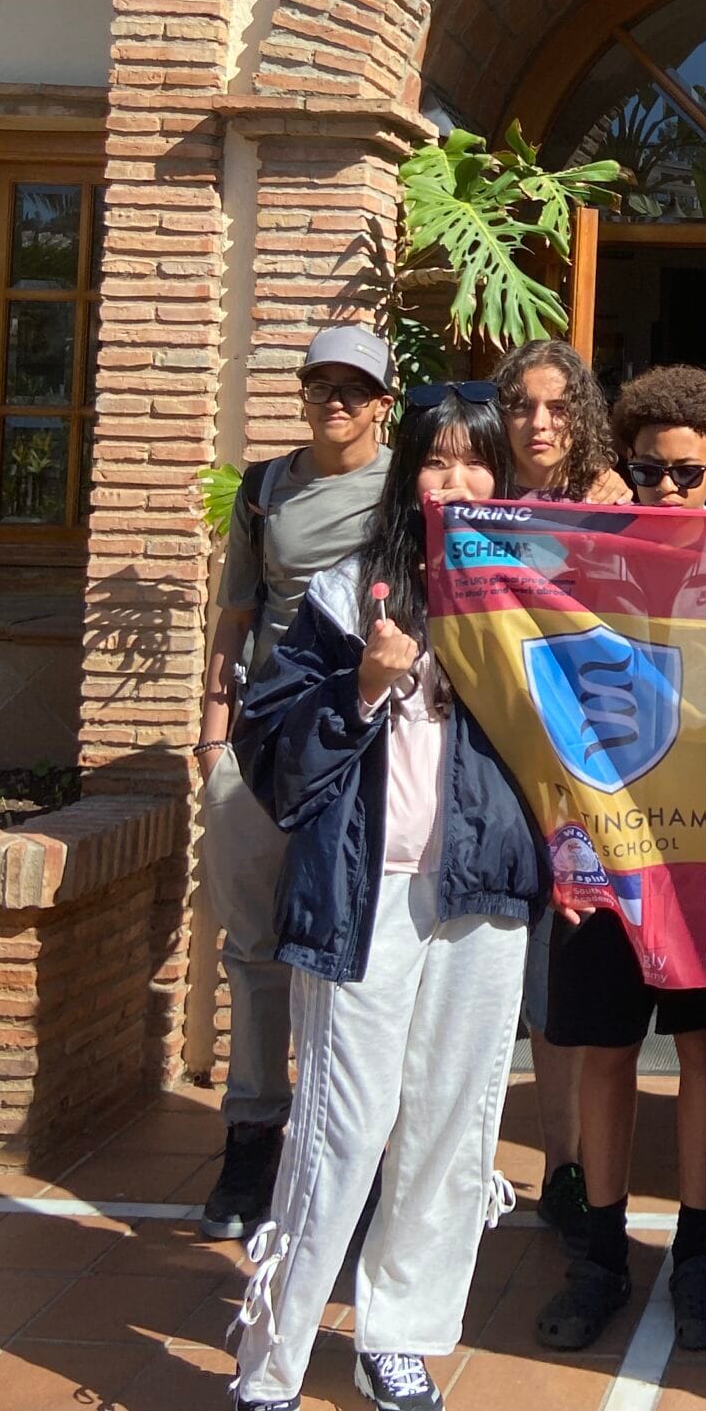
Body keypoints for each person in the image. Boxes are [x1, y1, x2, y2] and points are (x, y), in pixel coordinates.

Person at [223, 381, 544, 1411]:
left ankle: (396, 1335)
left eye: (478, 462)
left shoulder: (532, 598)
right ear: (408, 472)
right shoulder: (341, 592)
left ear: (504, 477)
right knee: (341, 1131)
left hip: (480, 897)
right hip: (365, 895)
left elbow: (585, 742)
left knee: (451, 1126)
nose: (458, 483)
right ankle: (271, 1355)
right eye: (438, 461)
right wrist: (363, 684)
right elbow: (268, 746)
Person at [533, 363, 706, 1357]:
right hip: (605, 830)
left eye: (684, 473)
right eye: (646, 471)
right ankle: (603, 1248)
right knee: (607, 1045)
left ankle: (699, 1250)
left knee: (705, 1043)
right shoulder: (588, 553)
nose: (665, 491)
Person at [193, 324, 395, 1241]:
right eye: (322, 385)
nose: (337, 403)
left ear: (384, 403)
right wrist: (211, 742)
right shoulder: (265, 488)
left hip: (363, 745)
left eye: (356, 388)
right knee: (254, 950)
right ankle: (250, 1139)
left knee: (356, 957)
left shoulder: (408, 487)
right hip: (265, 745)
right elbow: (234, 614)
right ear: (303, 392)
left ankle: (353, 1160)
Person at [495, 337, 630, 1254]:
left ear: (580, 414)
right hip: (501, 760)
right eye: (521, 407)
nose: (539, 424)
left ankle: (586, 1160)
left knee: (580, 960)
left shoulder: (615, 505)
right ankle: (560, 1166)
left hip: (595, 766)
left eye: (556, 406)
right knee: (540, 974)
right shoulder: (479, 505)